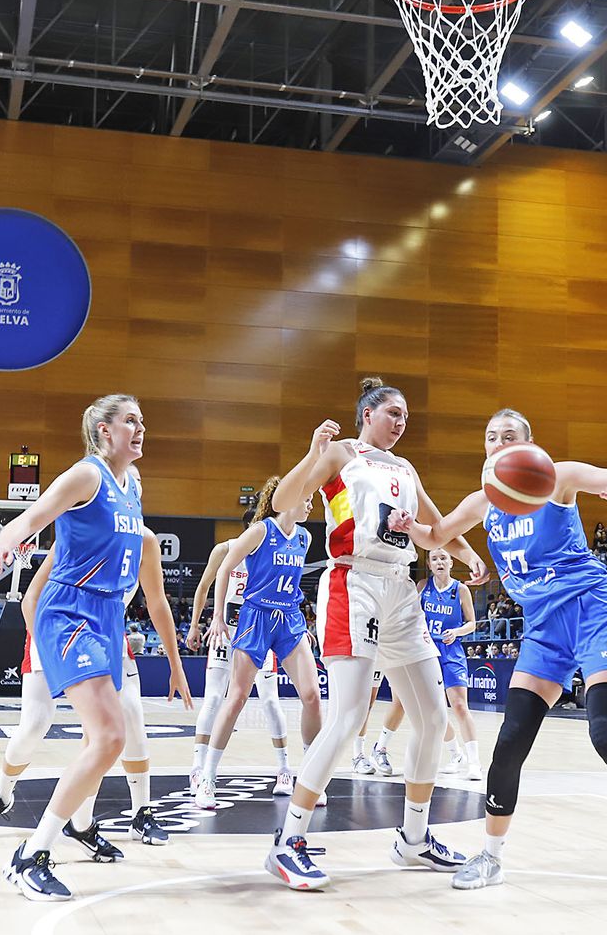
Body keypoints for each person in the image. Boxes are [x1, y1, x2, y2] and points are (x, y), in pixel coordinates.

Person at [393, 409, 607, 909]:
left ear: (529, 445)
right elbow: (436, 535)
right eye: (491, 438)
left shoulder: (556, 478)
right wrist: (411, 527)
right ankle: (491, 856)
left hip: (592, 613)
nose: (498, 444)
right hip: (542, 629)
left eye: (509, 436)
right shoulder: (483, 502)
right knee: (510, 743)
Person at [262, 377, 487, 892]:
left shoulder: (405, 469)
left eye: (405, 414)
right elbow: (284, 501)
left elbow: (434, 531)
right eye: (392, 412)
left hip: (400, 589)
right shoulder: (341, 454)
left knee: (433, 716)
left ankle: (413, 839)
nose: (401, 421)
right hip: (353, 582)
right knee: (347, 716)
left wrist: (468, 553)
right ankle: (287, 842)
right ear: (368, 414)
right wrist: (311, 452)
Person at [0, 393, 174, 901]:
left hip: (108, 617)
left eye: (142, 421)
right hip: (71, 610)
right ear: (105, 432)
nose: (140, 428)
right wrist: (4, 543)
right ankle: (28, 855)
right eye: (130, 421)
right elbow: (35, 515)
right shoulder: (88, 475)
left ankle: (74, 828)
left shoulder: (134, 486)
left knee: (104, 737)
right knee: (109, 735)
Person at [0, 526, 191, 856]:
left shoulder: (145, 542)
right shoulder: (85, 529)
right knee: (35, 724)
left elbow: (157, 602)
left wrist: (175, 662)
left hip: (104, 634)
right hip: (52, 630)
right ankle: (1, 796)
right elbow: (31, 602)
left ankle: (104, 820)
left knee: (124, 722)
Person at [195, 476, 324, 808]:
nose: (311, 503)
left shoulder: (305, 537)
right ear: (287, 498)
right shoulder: (260, 531)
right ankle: (207, 776)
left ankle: (309, 777)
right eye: (306, 497)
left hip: (289, 619)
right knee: (236, 698)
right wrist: (220, 616)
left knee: (311, 695)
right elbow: (224, 569)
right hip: (256, 617)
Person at [185, 502, 302, 792]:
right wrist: (195, 624)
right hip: (225, 630)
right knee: (213, 699)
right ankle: (198, 768)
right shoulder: (225, 550)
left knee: (271, 701)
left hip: (259, 631)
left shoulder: (275, 551)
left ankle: (284, 769)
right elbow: (202, 588)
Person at [370, 547, 484, 780]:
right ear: (429, 564)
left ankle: (474, 763)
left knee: (460, 706)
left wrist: (458, 630)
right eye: (434, 559)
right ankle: (455, 754)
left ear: (451, 562)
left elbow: (472, 623)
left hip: (451, 651)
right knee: (431, 708)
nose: (439, 562)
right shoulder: (422, 587)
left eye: (443, 558)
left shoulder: (460, 590)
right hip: (424, 651)